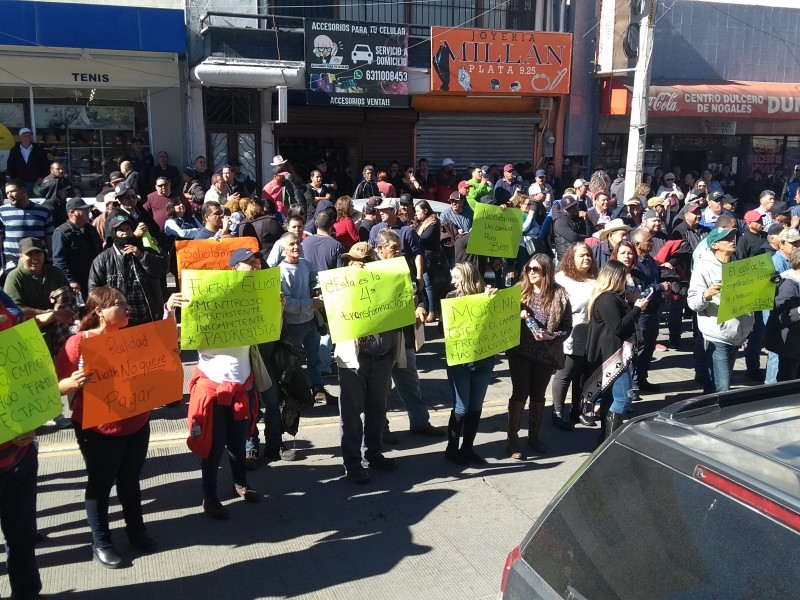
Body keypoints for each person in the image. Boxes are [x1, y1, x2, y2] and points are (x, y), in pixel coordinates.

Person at [55, 287, 158, 568]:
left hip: (136, 423)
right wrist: (73, 383)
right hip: (98, 431)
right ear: (99, 311)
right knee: (100, 486)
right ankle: (101, 541)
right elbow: (55, 388)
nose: (127, 309)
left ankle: (136, 531)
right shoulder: (77, 344)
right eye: (119, 304)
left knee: (130, 480)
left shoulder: (132, 339)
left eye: (126, 304)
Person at [180, 251, 265, 520]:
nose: (253, 268)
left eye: (256, 264)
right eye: (247, 264)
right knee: (213, 446)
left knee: (239, 442)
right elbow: (179, 337)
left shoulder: (258, 297)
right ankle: (210, 496)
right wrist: (170, 308)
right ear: (232, 269)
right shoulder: (207, 296)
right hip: (213, 387)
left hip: (242, 384)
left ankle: (240, 484)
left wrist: (277, 307)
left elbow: (269, 332)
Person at [334, 242, 403, 483]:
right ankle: (352, 463)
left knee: (377, 409)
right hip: (354, 360)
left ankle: (373, 453)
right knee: (351, 414)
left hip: (382, 357)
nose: (358, 266)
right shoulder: (340, 288)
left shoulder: (386, 286)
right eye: (354, 261)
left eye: (364, 262)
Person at [505, 253, 572, 460]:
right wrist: (515, 314)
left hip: (545, 352)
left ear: (547, 272)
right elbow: (500, 315)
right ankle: (512, 440)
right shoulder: (518, 291)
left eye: (536, 270)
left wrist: (553, 336)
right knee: (520, 393)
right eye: (528, 269)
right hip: (520, 351)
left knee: (538, 395)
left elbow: (567, 327)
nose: (531, 273)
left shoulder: (559, 294)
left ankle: (534, 436)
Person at [583, 261, 650, 441]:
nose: (627, 281)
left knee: (609, 399)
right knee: (623, 399)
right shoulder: (606, 299)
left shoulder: (613, 298)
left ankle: (604, 440)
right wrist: (637, 309)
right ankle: (610, 441)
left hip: (614, 354)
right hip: (613, 357)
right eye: (624, 277)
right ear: (615, 278)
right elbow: (619, 327)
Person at [444, 261, 502, 465]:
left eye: (456, 277)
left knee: (476, 407)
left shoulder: (487, 295)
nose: (452, 282)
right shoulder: (451, 299)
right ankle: (452, 449)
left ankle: (467, 448)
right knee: (461, 408)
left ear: (467, 278)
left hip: (484, 360)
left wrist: (494, 300)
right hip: (460, 362)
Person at [687, 228, 754, 394]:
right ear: (715, 245)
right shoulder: (703, 268)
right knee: (722, 388)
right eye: (727, 238)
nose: (733, 240)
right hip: (716, 335)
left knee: (716, 384)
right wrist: (707, 295)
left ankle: (705, 414)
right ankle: (716, 416)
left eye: (733, 236)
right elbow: (692, 303)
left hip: (737, 334)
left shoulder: (738, 267)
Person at [279, 232, 336, 405]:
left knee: (315, 357)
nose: (296, 247)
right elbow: (286, 303)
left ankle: (318, 389)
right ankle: (293, 395)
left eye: (298, 243)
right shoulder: (281, 272)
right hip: (294, 325)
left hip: (311, 321)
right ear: (283, 249)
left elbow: (314, 287)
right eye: (291, 245)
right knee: (293, 363)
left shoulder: (306, 264)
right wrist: (310, 303)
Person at [88, 216, 168, 328]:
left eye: (128, 229)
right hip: (120, 321)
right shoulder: (102, 259)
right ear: (113, 233)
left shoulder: (144, 250)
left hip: (148, 316)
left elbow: (162, 269)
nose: (126, 232)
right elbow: (94, 291)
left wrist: (141, 255)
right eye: (121, 230)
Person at [551, 242, 597, 430]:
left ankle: (578, 410)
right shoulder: (561, 279)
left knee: (584, 375)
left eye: (588, 255)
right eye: (581, 255)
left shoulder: (596, 279)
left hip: (591, 333)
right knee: (566, 373)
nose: (586, 258)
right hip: (570, 334)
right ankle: (558, 412)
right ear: (571, 258)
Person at [52, 197, 103, 298]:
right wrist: (71, 280)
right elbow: (59, 260)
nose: (88, 212)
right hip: (77, 282)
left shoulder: (91, 229)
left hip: (95, 278)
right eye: (84, 210)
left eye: (87, 209)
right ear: (72, 212)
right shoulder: (62, 232)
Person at [0, 179, 54, 269]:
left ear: (23, 190)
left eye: (12, 191)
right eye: (7, 193)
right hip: (12, 261)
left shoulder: (43, 211)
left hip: (37, 260)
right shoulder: (2, 211)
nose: (9, 195)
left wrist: (52, 258)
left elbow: (50, 238)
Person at [766, 247, 800, 381]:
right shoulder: (787, 283)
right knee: (787, 380)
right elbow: (782, 316)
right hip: (789, 344)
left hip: (796, 343)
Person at [413, 200, 442, 322]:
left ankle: (432, 311)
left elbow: (423, 239)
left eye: (418, 211)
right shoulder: (422, 223)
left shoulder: (433, 223)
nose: (416, 214)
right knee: (423, 286)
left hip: (430, 258)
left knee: (429, 285)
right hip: (423, 256)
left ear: (425, 210)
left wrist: (412, 236)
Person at [6, 127, 49, 195]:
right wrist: (15, 180)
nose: (27, 138)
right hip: (21, 184)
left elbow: (45, 165)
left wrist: (42, 178)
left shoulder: (39, 150)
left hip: (36, 184)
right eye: (25, 136)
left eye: (29, 136)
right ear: (20, 138)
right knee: (22, 203)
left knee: (37, 203)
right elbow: (10, 166)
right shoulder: (14, 151)